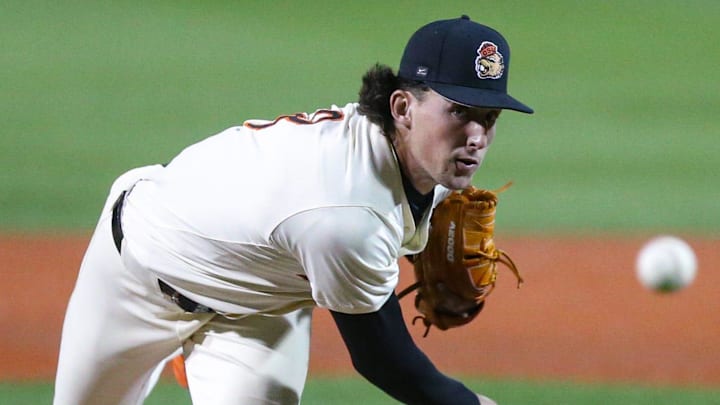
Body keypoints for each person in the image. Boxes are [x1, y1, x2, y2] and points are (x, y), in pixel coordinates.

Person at [53, 14, 533, 405]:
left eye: (488, 119)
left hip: (258, 310)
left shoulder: (412, 156)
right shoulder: (346, 214)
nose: (476, 137)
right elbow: (383, 359)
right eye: (459, 113)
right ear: (403, 107)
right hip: (137, 272)